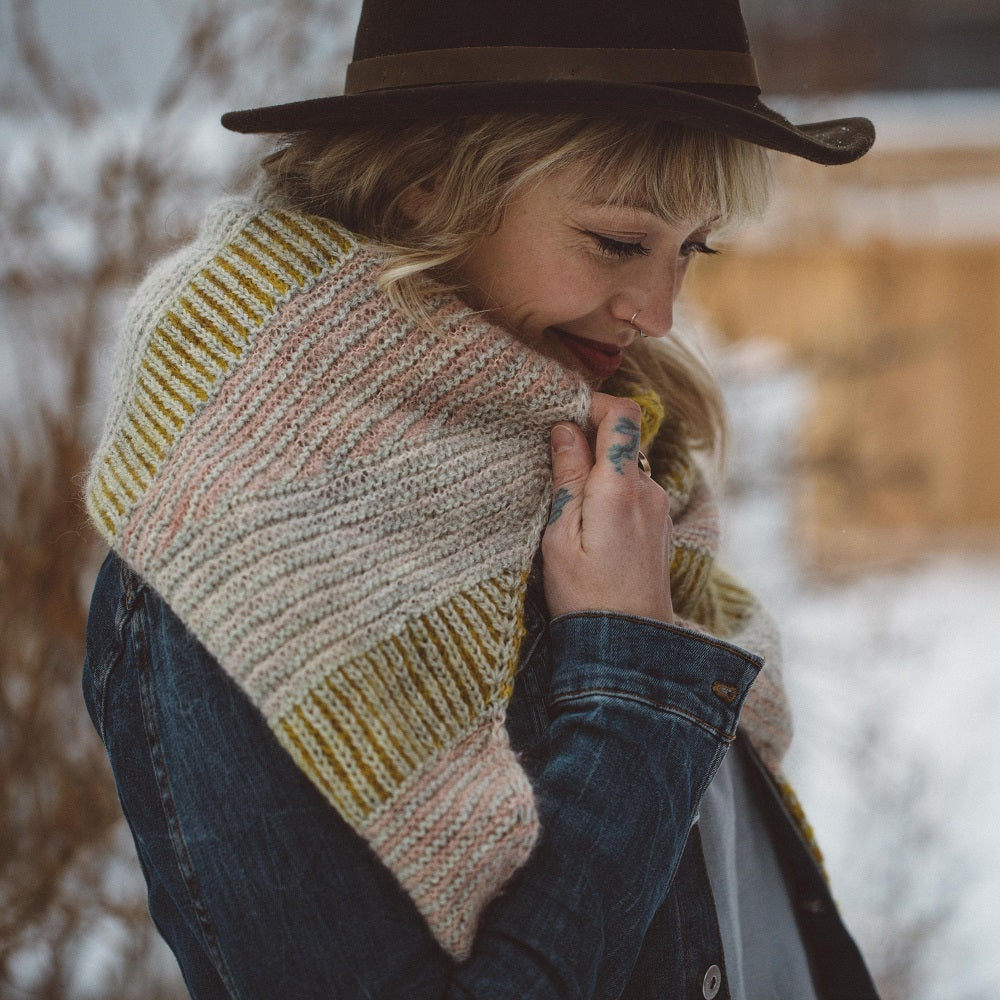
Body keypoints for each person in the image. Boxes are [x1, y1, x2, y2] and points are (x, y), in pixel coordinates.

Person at [82, 0, 882, 996]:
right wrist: (630, 661)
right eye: (618, 242)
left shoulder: (594, 462)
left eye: (693, 248)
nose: (662, 310)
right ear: (429, 187)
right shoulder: (250, 543)